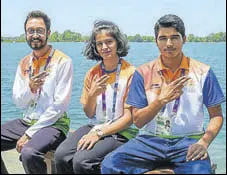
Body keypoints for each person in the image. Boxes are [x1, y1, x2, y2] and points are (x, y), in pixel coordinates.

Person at [101, 14, 225, 174]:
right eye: (163, 38)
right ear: (156, 41)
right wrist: (160, 101)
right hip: (150, 141)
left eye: (175, 37)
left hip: (189, 142)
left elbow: (216, 116)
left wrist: (204, 143)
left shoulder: (203, 71)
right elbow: (138, 122)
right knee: (110, 164)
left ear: (184, 39)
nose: (169, 43)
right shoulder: (143, 72)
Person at [54, 20, 138, 174]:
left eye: (109, 42)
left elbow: (129, 118)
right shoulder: (92, 73)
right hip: (95, 125)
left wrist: (98, 134)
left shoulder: (131, 73)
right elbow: (89, 113)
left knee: (83, 161)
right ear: (95, 47)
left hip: (121, 131)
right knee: (60, 156)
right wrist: (92, 95)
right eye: (100, 44)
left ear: (118, 43)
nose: (104, 47)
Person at [1, 10, 73, 174]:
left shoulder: (63, 61)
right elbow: (19, 102)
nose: (35, 35)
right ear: (25, 34)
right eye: (30, 31)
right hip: (28, 121)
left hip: (54, 124)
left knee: (29, 153)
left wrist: (29, 134)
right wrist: (30, 88)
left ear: (48, 33)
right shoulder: (24, 63)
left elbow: (59, 106)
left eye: (39, 31)